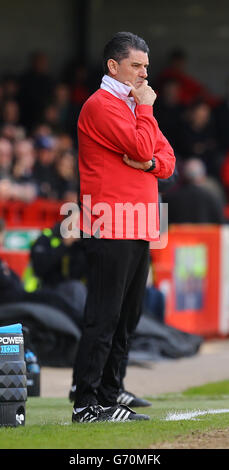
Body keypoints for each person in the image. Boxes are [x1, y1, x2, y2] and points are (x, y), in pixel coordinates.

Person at [71, 31, 175, 423]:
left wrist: (148, 163)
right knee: (103, 318)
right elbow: (144, 147)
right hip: (110, 222)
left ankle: (110, 396)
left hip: (138, 223)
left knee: (128, 319)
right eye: (137, 66)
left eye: (146, 66)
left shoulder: (133, 107)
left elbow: (165, 160)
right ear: (114, 66)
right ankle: (86, 403)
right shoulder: (102, 106)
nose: (144, 74)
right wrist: (146, 125)